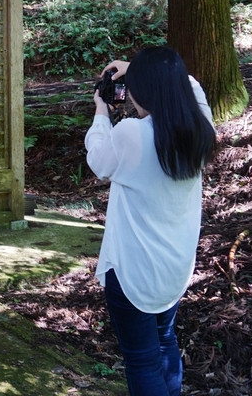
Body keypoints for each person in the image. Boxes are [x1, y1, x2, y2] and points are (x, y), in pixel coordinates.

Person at [85, 46, 216, 396]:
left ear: (144, 91)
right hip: (174, 267)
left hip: (133, 270)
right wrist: (147, 69)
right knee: (165, 342)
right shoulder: (200, 128)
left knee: (142, 361)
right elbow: (194, 89)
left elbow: (98, 161)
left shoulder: (132, 133)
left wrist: (101, 112)